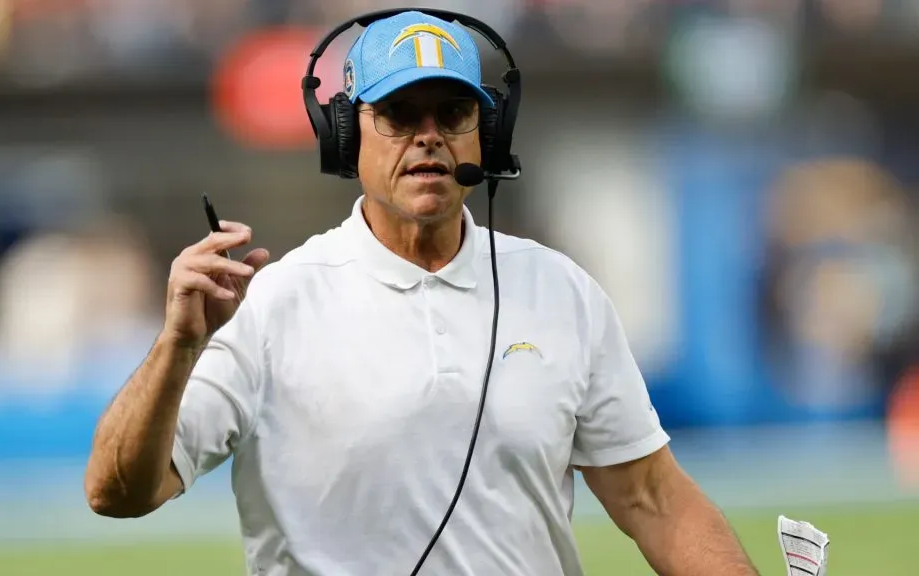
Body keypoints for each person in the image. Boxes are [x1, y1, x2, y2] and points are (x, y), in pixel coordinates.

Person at [84, 10, 759, 576]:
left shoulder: (562, 292)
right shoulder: (272, 305)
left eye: (452, 112)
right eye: (400, 115)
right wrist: (178, 346)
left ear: (485, 134)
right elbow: (116, 493)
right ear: (347, 135)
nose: (429, 136)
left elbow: (652, 498)